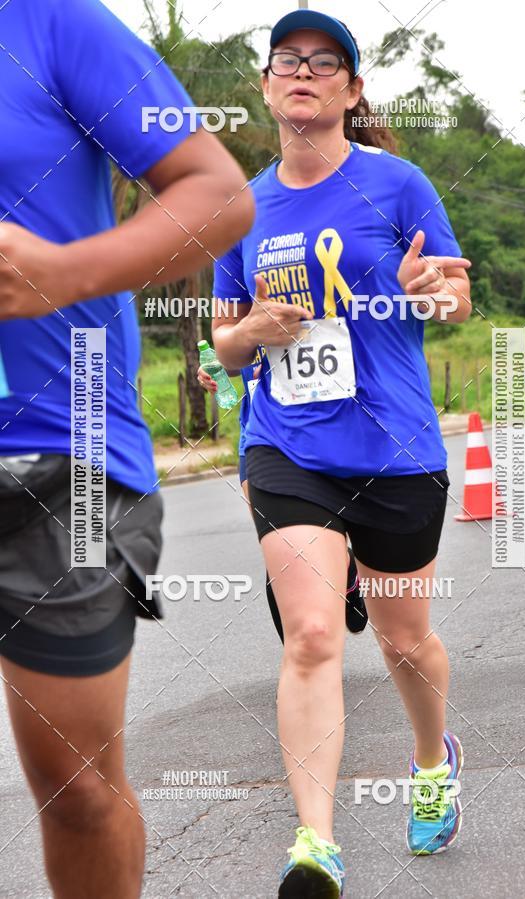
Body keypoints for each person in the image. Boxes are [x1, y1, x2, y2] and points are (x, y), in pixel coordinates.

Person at [210, 10, 471, 897]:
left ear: (352, 92)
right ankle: (315, 844)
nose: (305, 74)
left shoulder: (397, 184)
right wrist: (251, 328)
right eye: (288, 61)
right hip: (287, 445)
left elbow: (455, 297)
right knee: (315, 633)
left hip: (395, 447)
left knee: (405, 641)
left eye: (326, 64)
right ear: (267, 85)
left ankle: (432, 761)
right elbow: (222, 341)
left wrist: (431, 290)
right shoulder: (241, 205)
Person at [0, 1, 253, 897]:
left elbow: (218, 193)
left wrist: (62, 274)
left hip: (60, 447)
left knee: (76, 790)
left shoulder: (49, 24)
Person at [197, 359, 368, 638]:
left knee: (329, 541)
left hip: (318, 428)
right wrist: (214, 370)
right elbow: (234, 356)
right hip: (260, 436)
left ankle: (347, 570)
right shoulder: (243, 315)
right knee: (277, 545)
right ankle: (298, 650)